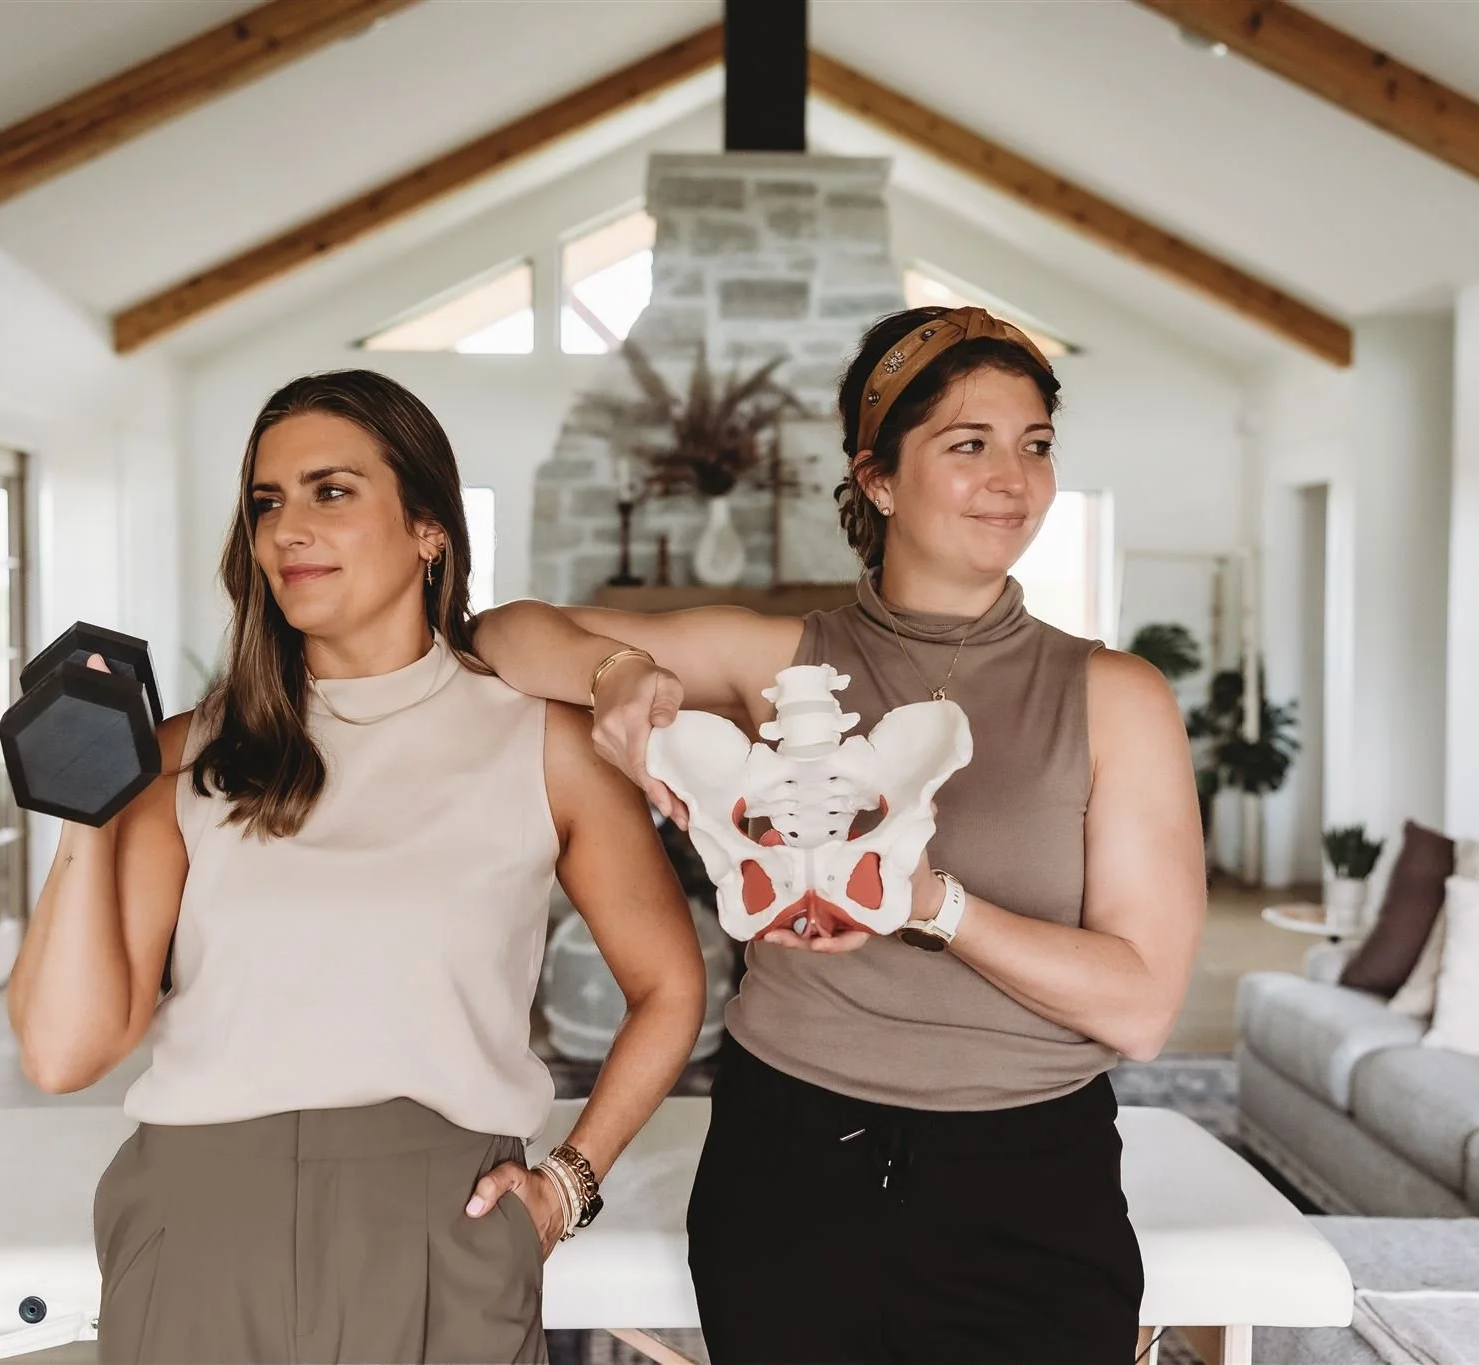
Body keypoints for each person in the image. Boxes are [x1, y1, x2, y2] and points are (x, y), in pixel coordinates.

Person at [474, 306, 1207, 1364]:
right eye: (968, 445)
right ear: (875, 480)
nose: (1013, 478)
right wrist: (615, 674)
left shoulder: (1113, 697)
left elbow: (1138, 1009)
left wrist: (926, 902)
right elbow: (495, 636)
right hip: (788, 1161)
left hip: (1030, 1183)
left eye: (1034, 445)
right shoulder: (776, 658)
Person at [7, 370, 705, 1364]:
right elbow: (62, 1052)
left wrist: (567, 1184)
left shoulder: (540, 743)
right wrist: (85, 807)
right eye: (266, 503)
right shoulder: (186, 752)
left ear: (427, 528)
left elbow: (668, 985)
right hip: (198, 1225)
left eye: (328, 492)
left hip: (442, 1227)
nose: (287, 528)